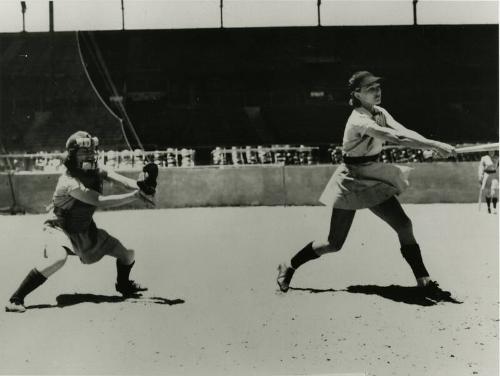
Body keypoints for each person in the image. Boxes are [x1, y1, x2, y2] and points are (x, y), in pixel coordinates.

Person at [277, 71, 455, 296]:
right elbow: (396, 138)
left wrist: (432, 145)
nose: (377, 90)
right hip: (351, 179)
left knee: (403, 225)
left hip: (372, 175)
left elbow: (403, 131)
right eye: (370, 88)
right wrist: (434, 144)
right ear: (356, 94)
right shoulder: (358, 120)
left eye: (378, 86)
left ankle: (424, 281)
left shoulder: (379, 111)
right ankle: (289, 265)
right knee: (333, 243)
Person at [5, 131, 157, 313]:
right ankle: (15, 299)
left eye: (92, 150)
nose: (90, 155)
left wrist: (142, 185)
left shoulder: (97, 169)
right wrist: (136, 196)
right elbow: (98, 201)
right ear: (72, 155)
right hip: (59, 227)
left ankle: (124, 287)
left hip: (84, 229)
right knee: (57, 259)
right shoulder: (68, 181)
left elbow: (123, 181)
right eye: (84, 152)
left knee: (127, 254)